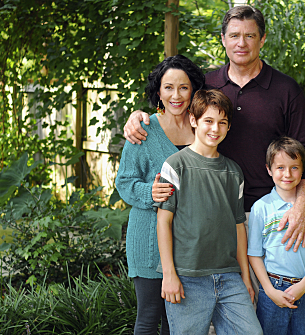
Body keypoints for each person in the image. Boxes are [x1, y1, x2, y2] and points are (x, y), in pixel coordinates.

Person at [124, 5, 305, 253]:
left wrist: (302, 205)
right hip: (212, 212)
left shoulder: (286, 90)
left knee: (275, 289)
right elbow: (176, 109)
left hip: (270, 211)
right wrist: (140, 116)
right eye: (234, 36)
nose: (242, 43)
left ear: (262, 39)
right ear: (223, 39)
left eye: (249, 36)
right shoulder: (206, 86)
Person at [155, 89, 263, 335]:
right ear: (193, 120)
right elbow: (163, 222)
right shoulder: (175, 165)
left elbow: (238, 226)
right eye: (208, 121)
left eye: (222, 123)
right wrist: (169, 274)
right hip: (188, 277)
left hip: (228, 277)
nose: (215, 129)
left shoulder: (233, 172)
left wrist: (245, 277)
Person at [115, 54, 205, 335]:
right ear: (158, 92)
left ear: (193, 91)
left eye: (183, 87)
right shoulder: (143, 130)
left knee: (176, 323)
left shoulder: (202, 128)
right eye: (168, 87)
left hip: (189, 245)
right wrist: (149, 191)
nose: (176, 95)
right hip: (149, 240)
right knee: (148, 319)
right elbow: (124, 182)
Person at [248, 137, 305, 335]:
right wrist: (270, 291)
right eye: (280, 167)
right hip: (272, 290)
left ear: (303, 169)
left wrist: (304, 285)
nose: (287, 174)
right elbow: (254, 254)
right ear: (269, 170)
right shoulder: (261, 208)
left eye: (294, 167)